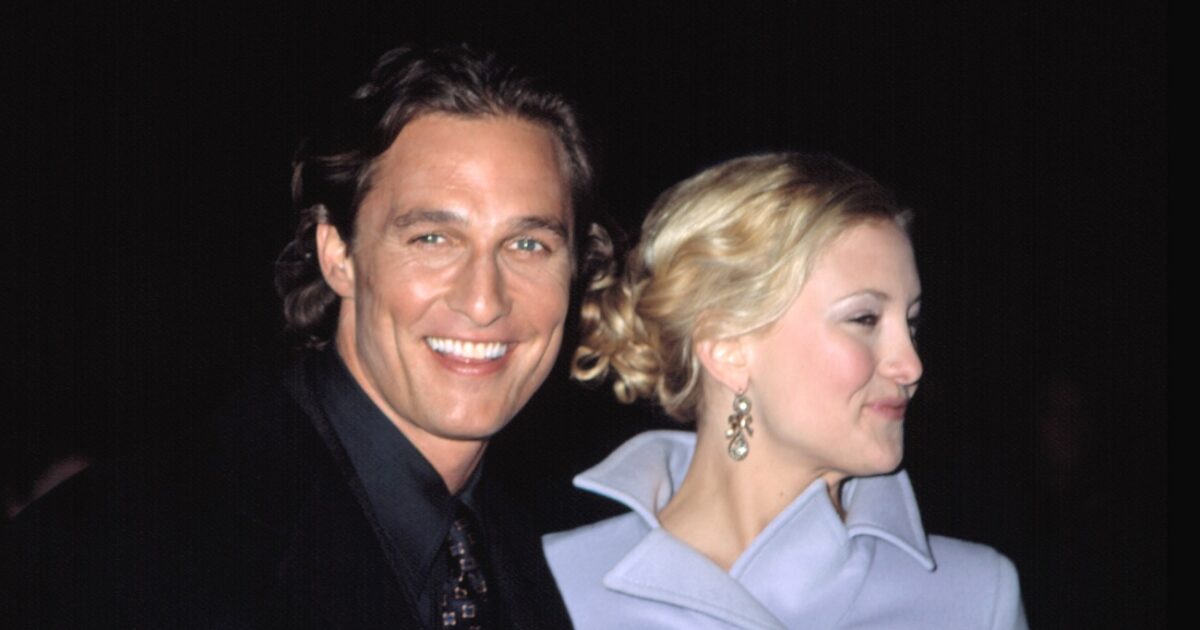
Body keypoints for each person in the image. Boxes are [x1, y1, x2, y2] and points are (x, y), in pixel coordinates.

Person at [2, 44, 599, 629]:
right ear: (338, 255)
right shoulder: (117, 551)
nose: (484, 301)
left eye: (529, 245)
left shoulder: (565, 568)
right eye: (432, 239)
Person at [544, 153, 1028, 629]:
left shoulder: (974, 597)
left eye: (912, 323)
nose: (911, 365)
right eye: (864, 319)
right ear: (728, 348)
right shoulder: (553, 584)